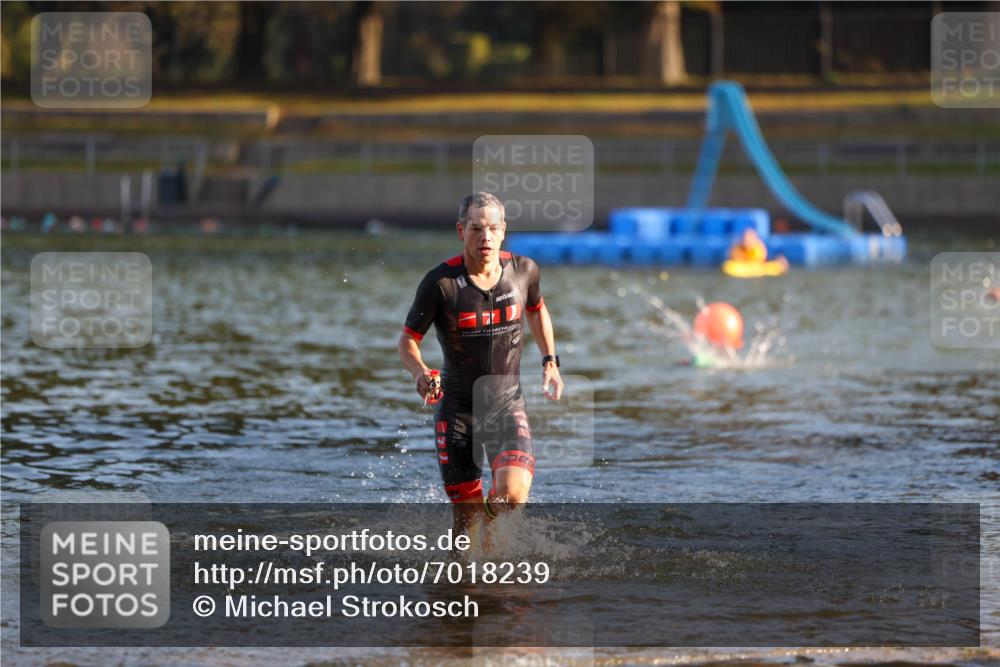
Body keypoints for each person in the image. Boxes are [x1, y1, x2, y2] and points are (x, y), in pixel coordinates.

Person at [398, 192, 564, 536]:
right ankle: (466, 576)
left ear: (503, 231)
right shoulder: (440, 284)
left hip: (506, 404)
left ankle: (490, 534)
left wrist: (550, 360)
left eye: (492, 229)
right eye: (475, 228)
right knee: (464, 531)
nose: (484, 237)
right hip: (458, 411)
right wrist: (420, 372)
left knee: (513, 495)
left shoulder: (524, 270)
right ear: (461, 231)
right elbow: (408, 340)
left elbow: (537, 310)